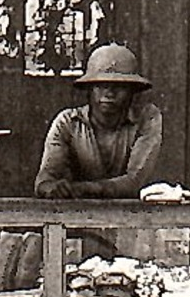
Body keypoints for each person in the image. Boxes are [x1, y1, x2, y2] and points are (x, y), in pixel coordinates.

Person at [34, 43, 162, 200]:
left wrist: (82, 189)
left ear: (132, 91)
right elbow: (46, 178)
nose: (109, 93)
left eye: (119, 86)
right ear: (89, 89)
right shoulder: (68, 122)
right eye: (101, 85)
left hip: (133, 213)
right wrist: (51, 188)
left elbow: (134, 181)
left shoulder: (146, 119)